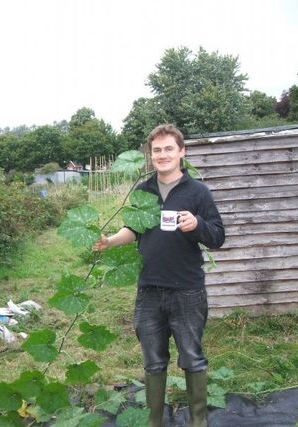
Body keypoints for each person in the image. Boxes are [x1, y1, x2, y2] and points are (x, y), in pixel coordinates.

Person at [93, 124, 225, 427]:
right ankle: (155, 422)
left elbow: (218, 236)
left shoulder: (197, 192)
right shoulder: (144, 191)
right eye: (157, 150)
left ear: (181, 152)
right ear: (150, 156)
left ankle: (198, 422)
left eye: (168, 148)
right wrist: (110, 241)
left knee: (191, 357)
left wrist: (198, 225)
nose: (162, 155)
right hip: (149, 290)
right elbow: (135, 227)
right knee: (153, 361)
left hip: (187, 290)